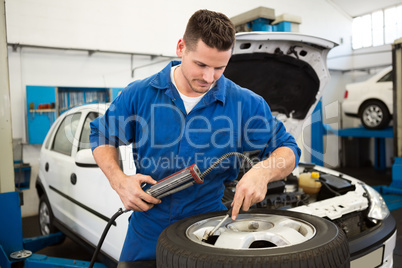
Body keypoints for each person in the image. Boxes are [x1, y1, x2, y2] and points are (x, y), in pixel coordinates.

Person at [90, 9, 301, 261]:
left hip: (208, 226)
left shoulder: (245, 103)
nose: (208, 77)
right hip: (147, 227)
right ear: (181, 47)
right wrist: (118, 180)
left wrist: (263, 172)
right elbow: (103, 136)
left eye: (219, 67)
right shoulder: (139, 94)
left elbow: (287, 148)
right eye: (200, 64)